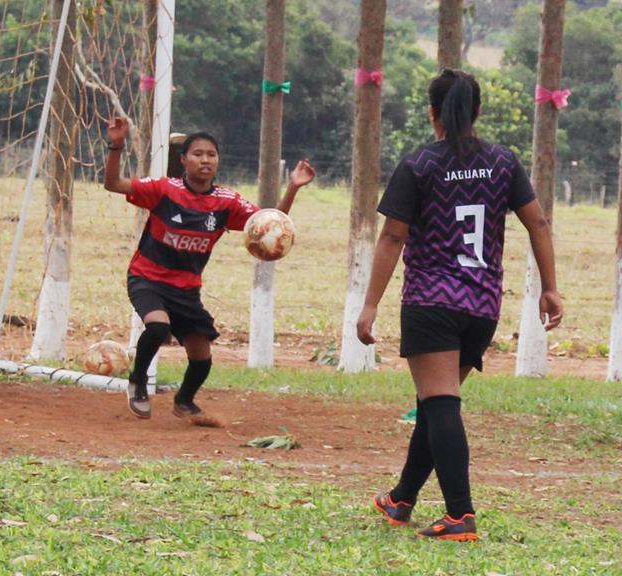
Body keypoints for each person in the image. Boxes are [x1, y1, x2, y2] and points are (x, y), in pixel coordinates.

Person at [356, 69, 563, 541]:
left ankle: (460, 515)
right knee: (434, 404)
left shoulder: (420, 164)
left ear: (433, 113)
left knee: (441, 403)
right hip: (482, 305)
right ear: (478, 112)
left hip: (432, 301)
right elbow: (539, 223)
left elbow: (392, 235)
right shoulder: (503, 162)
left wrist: (369, 306)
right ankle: (401, 499)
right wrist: (550, 288)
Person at [104, 117, 315, 419]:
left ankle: (184, 401)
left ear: (217, 162)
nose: (205, 160)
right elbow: (112, 184)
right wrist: (117, 145)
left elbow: (269, 224)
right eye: (198, 154)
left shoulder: (226, 202)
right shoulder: (164, 190)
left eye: (211, 155)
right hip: (147, 278)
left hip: (187, 290)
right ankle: (137, 381)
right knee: (159, 326)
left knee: (202, 357)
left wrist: (293, 186)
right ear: (183, 160)